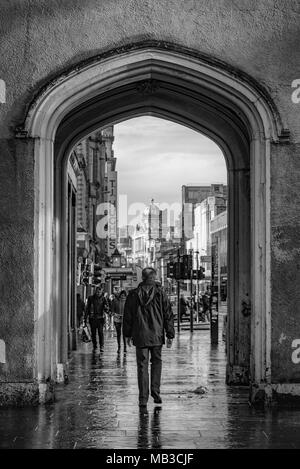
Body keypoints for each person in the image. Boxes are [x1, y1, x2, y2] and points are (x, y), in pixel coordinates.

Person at [123, 267, 175, 410]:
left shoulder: (133, 295)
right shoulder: (160, 294)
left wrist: (127, 334)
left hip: (140, 335)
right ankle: (156, 393)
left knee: (142, 366)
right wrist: (170, 334)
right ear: (154, 277)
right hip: (157, 335)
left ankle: (143, 398)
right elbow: (168, 315)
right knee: (156, 363)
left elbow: (128, 316)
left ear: (142, 277)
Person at [85, 286, 107, 352]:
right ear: (95, 291)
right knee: (93, 333)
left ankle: (101, 346)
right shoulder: (91, 298)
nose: (98, 293)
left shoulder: (103, 299)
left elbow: (107, 307)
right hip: (92, 318)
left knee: (100, 332)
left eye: (99, 292)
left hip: (100, 318)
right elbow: (87, 308)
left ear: (101, 292)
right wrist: (85, 318)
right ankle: (95, 346)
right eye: (97, 291)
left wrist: (107, 309)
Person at [111, 290, 127, 355]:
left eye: (124, 296)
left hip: (124, 319)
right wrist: (113, 313)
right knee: (118, 334)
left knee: (124, 334)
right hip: (117, 318)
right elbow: (112, 309)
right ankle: (119, 347)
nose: (123, 297)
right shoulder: (115, 301)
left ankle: (125, 347)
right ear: (120, 295)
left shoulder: (127, 301)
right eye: (122, 295)